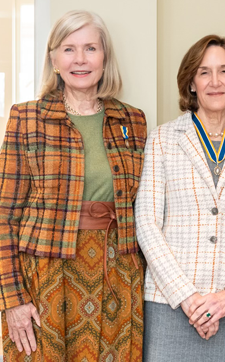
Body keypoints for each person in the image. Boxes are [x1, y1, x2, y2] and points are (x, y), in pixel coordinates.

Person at [0, 10, 147, 361]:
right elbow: (4, 216)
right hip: (46, 278)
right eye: (69, 49)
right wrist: (12, 299)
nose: (80, 59)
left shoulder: (132, 120)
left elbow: (145, 207)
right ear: (53, 59)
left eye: (90, 48)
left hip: (118, 273)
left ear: (104, 57)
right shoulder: (27, 118)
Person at [135, 34, 225, 362]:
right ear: (190, 83)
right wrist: (187, 297)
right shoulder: (162, 140)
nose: (215, 82)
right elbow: (146, 223)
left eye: (224, 71)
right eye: (204, 72)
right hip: (171, 304)